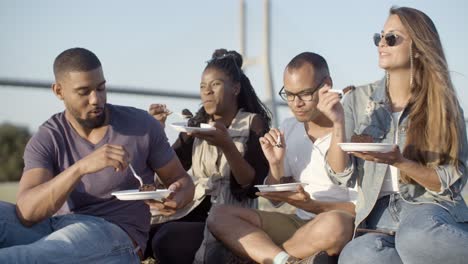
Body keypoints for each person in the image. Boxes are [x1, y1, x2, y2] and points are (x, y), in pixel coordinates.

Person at [0, 47, 195, 263]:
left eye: (101, 88)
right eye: (84, 92)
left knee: (20, 258)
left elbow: (181, 180)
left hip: (114, 234)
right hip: (55, 227)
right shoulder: (48, 137)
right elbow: (27, 213)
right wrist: (81, 168)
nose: (96, 99)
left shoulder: (142, 125)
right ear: (58, 91)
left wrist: (179, 196)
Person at [318, 6, 468, 264]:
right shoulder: (357, 100)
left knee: (415, 238)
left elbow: (451, 181)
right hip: (378, 215)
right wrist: (337, 123)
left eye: (392, 38)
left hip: (429, 209)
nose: (381, 44)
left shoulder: (443, 105)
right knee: (357, 256)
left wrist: (399, 162)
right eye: (379, 37)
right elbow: (340, 175)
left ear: (418, 49)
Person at [208, 52, 357, 264]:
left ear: (327, 85)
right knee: (219, 215)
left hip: (338, 221)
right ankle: (286, 260)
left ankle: (267, 256)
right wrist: (275, 164)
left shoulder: (354, 126)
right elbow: (274, 201)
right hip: (300, 223)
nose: (296, 103)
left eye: (304, 94)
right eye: (289, 94)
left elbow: (363, 208)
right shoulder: (289, 127)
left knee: (336, 225)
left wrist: (312, 205)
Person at [147, 49, 271, 264]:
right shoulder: (195, 128)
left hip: (230, 216)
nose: (207, 92)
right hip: (193, 208)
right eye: (203, 87)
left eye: (215, 85)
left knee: (166, 239)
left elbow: (251, 186)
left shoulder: (253, 123)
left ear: (235, 88)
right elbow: (166, 169)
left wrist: (227, 146)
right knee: (143, 231)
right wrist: (156, 130)